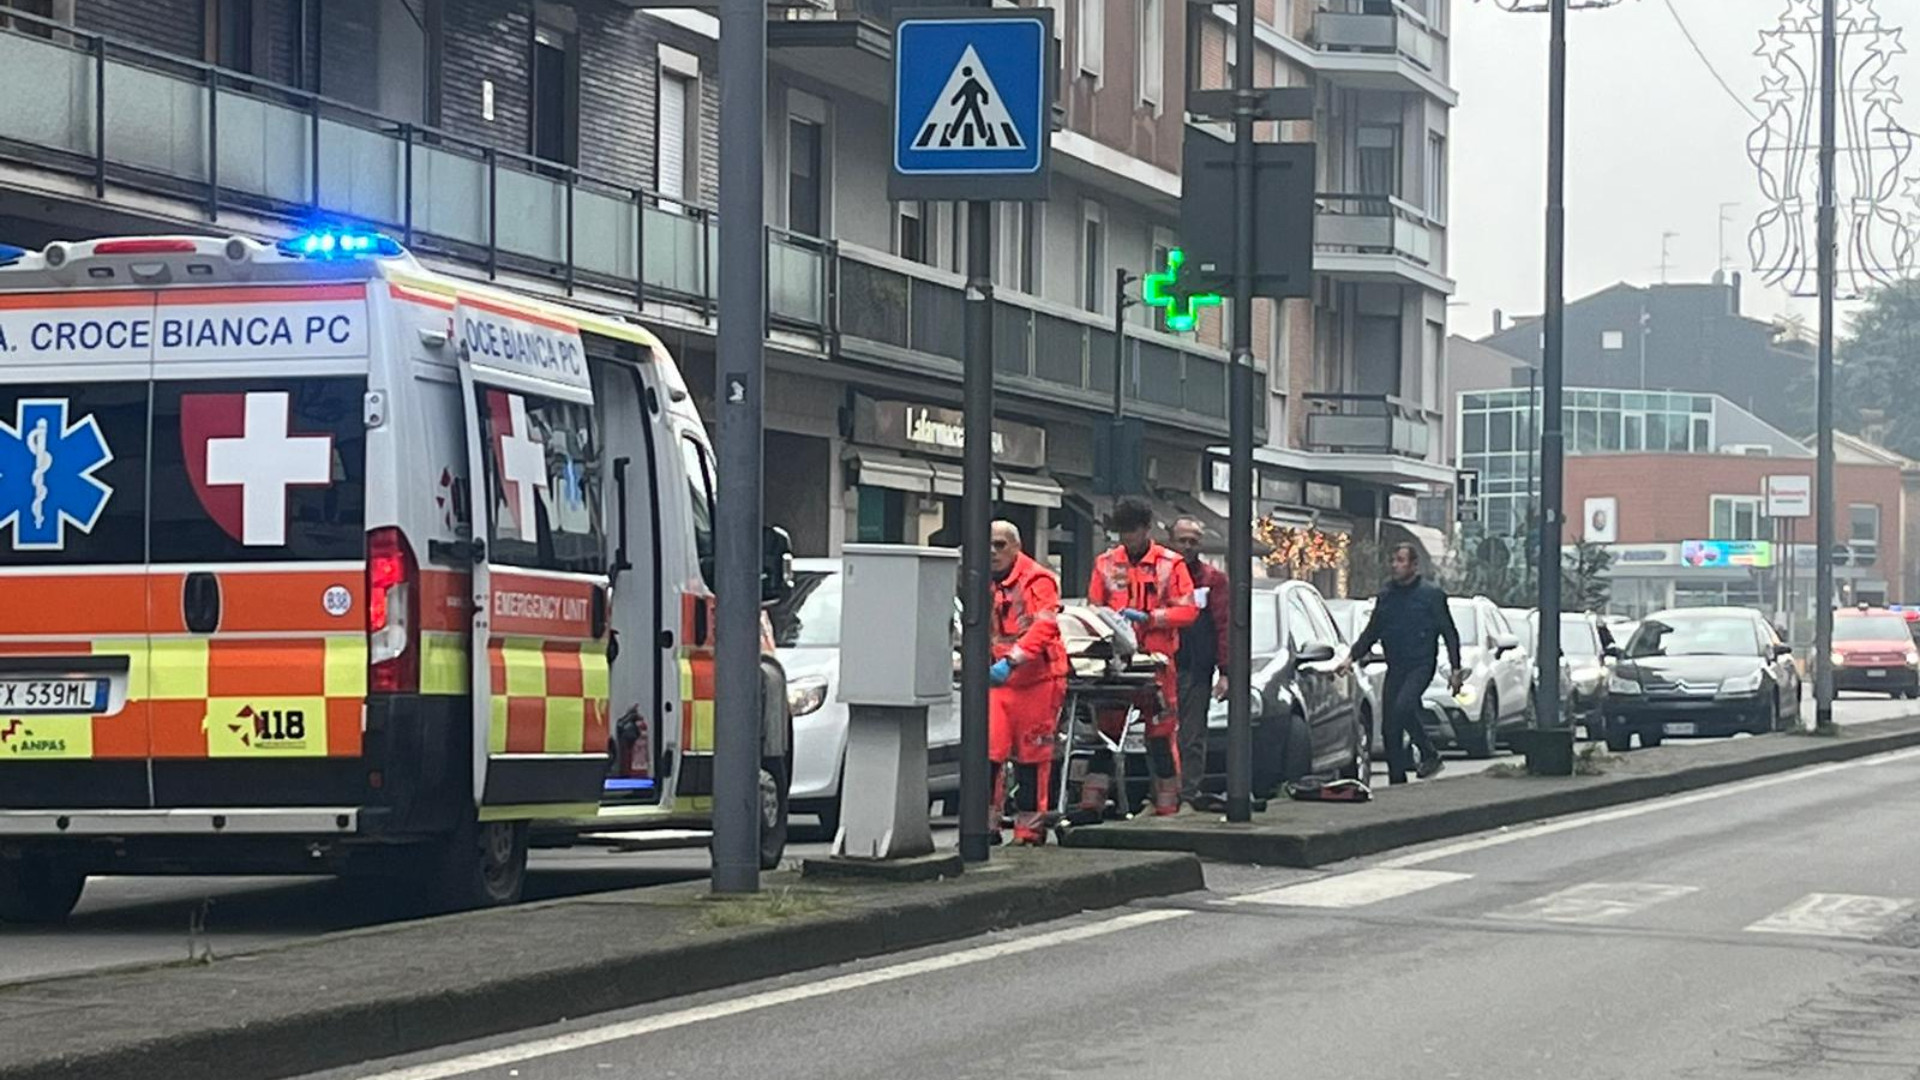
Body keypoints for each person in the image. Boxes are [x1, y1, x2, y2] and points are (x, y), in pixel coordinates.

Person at [1086, 498, 1197, 816]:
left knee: (1160, 735)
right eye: (1121, 532)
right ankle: (1091, 804)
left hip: (1158, 663)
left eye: (1131, 531)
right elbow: (1094, 608)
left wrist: (1150, 618)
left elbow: (1188, 611)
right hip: (1117, 662)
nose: (1126, 538)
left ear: (1146, 529)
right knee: (1107, 732)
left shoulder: (1170, 564)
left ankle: (1167, 807)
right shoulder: (1105, 563)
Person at [1341, 543, 1461, 784]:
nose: (1395, 565)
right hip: (1396, 665)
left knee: (1404, 707)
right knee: (1390, 728)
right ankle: (1397, 781)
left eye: (1400, 560)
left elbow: (1449, 632)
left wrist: (1455, 669)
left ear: (1414, 566)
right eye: (1393, 560)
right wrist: (1351, 657)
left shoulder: (1431, 595)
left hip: (1421, 664)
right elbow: (1372, 631)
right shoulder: (1387, 596)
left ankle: (1430, 754)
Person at [985, 521, 1068, 845]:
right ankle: (984, 827)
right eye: (989, 544)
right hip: (1000, 681)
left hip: (1037, 680)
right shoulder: (983, 579)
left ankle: (1029, 831)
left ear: (1017, 547)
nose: (993, 551)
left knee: (1032, 758)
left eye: (1000, 545)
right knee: (988, 755)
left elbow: (1043, 627)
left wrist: (1013, 659)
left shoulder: (1038, 580)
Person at [1168, 516, 1229, 809]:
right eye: (1183, 540)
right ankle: (1164, 794)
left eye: (1193, 541)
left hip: (1195, 667)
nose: (1188, 547)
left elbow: (1223, 625)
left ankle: (1188, 794)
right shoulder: (1160, 575)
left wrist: (1224, 671)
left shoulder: (1212, 579)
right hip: (1162, 664)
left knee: (1192, 736)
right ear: (1172, 540)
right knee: (1162, 734)